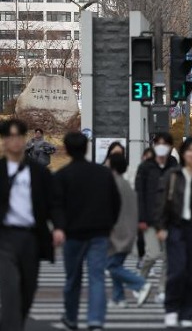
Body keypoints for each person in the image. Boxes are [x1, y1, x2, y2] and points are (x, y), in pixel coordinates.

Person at [0, 119, 64, 331]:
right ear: (4, 141)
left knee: (28, 288)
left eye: (19, 136)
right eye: (10, 137)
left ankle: (12, 322)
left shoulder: (38, 172)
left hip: (31, 237)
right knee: (9, 288)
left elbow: (54, 202)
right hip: (4, 238)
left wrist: (59, 227)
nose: (15, 141)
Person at [55, 132, 121, 331]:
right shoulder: (103, 174)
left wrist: (59, 227)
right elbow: (115, 202)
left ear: (66, 150)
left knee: (72, 278)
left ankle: (71, 317)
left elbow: (56, 205)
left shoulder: (62, 176)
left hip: (72, 234)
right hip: (99, 233)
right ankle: (95, 321)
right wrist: (109, 225)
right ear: (87, 148)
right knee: (97, 278)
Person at [155, 137, 192, 329]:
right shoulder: (172, 175)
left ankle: (188, 311)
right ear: (182, 154)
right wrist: (161, 227)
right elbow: (162, 203)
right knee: (177, 271)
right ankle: (172, 309)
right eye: (189, 150)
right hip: (176, 228)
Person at [135, 132, 178, 304]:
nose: (161, 146)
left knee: (169, 257)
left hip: (169, 219)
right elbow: (140, 193)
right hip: (150, 218)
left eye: (165, 143)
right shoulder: (146, 167)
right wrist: (142, 218)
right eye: (158, 143)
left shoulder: (174, 166)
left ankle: (162, 289)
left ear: (170, 146)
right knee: (152, 254)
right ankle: (140, 282)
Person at [106, 154, 152, 309]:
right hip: (128, 232)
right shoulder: (125, 184)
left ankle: (140, 284)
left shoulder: (112, 184)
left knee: (112, 266)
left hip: (118, 233)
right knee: (116, 265)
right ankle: (118, 298)